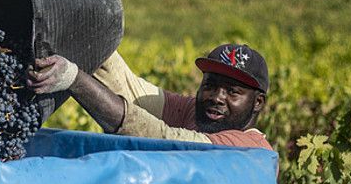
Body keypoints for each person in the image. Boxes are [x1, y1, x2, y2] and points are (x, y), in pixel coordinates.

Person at [28, 43, 271, 150]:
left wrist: (75, 79)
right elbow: (130, 89)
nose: (217, 97)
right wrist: (90, 39)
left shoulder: (248, 148)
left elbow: (161, 137)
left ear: (257, 102)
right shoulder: (196, 113)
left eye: (232, 92)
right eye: (210, 85)